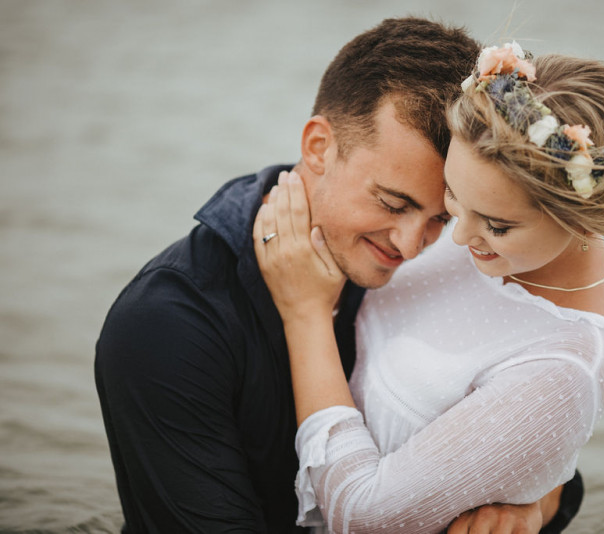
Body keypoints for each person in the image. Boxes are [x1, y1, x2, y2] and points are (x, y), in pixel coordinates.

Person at [95, 18, 569, 533]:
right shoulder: (168, 326)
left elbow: (541, 449)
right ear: (319, 147)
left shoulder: (443, 270)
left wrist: (528, 507)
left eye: (441, 217)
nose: (411, 246)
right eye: (391, 202)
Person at [254, 42, 604, 533]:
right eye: (452, 200)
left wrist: (304, 316)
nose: (454, 238)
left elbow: (360, 516)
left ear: (580, 221)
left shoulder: (564, 369)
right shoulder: (489, 233)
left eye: (496, 225)